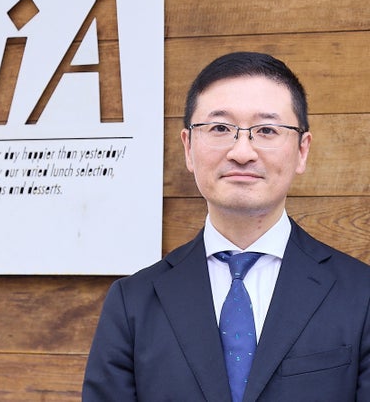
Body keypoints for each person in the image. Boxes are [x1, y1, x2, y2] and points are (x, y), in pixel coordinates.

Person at [82, 52, 370, 401]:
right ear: (188, 147)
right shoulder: (132, 303)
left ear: (302, 150)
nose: (242, 152)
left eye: (266, 130)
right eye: (220, 128)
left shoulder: (361, 295)